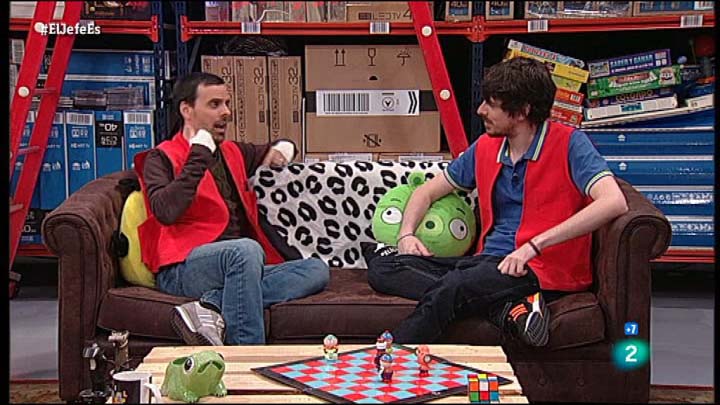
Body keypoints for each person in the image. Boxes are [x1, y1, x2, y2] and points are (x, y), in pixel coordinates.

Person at [363, 57, 628, 346]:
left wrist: (534, 246)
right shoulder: (487, 146)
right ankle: (508, 309)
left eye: (491, 104)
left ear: (523, 111)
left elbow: (614, 201)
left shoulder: (571, 143)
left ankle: (392, 354)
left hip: (540, 268)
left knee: (456, 285)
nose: (481, 110)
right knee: (384, 266)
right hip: (488, 264)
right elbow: (425, 192)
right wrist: (406, 235)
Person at [134, 72, 330, 345]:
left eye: (227, 103)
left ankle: (210, 304)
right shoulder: (161, 157)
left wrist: (283, 149)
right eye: (215, 105)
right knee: (245, 250)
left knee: (315, 270)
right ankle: (246, 355)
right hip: (183, 267)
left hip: (240, 267)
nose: (226, 112)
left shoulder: (232, 151)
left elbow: (273, 148)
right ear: (187, 110)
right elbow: (165, 211)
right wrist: (197, 157)